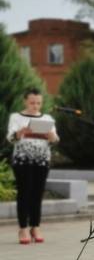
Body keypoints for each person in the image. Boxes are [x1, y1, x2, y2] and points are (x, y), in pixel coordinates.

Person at [6, 88, 59, 244]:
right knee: (24, 192)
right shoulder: (16, 117)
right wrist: (20, 132)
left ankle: (35, 226)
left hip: (42, 160)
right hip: (22, 160)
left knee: (37, 193)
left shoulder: (47, 118)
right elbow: (10, 138)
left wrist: (51, 136)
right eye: (32, 102)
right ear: (25, 101)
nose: (35, 106)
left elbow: (55, 139)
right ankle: (23, 228)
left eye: (38, 103)